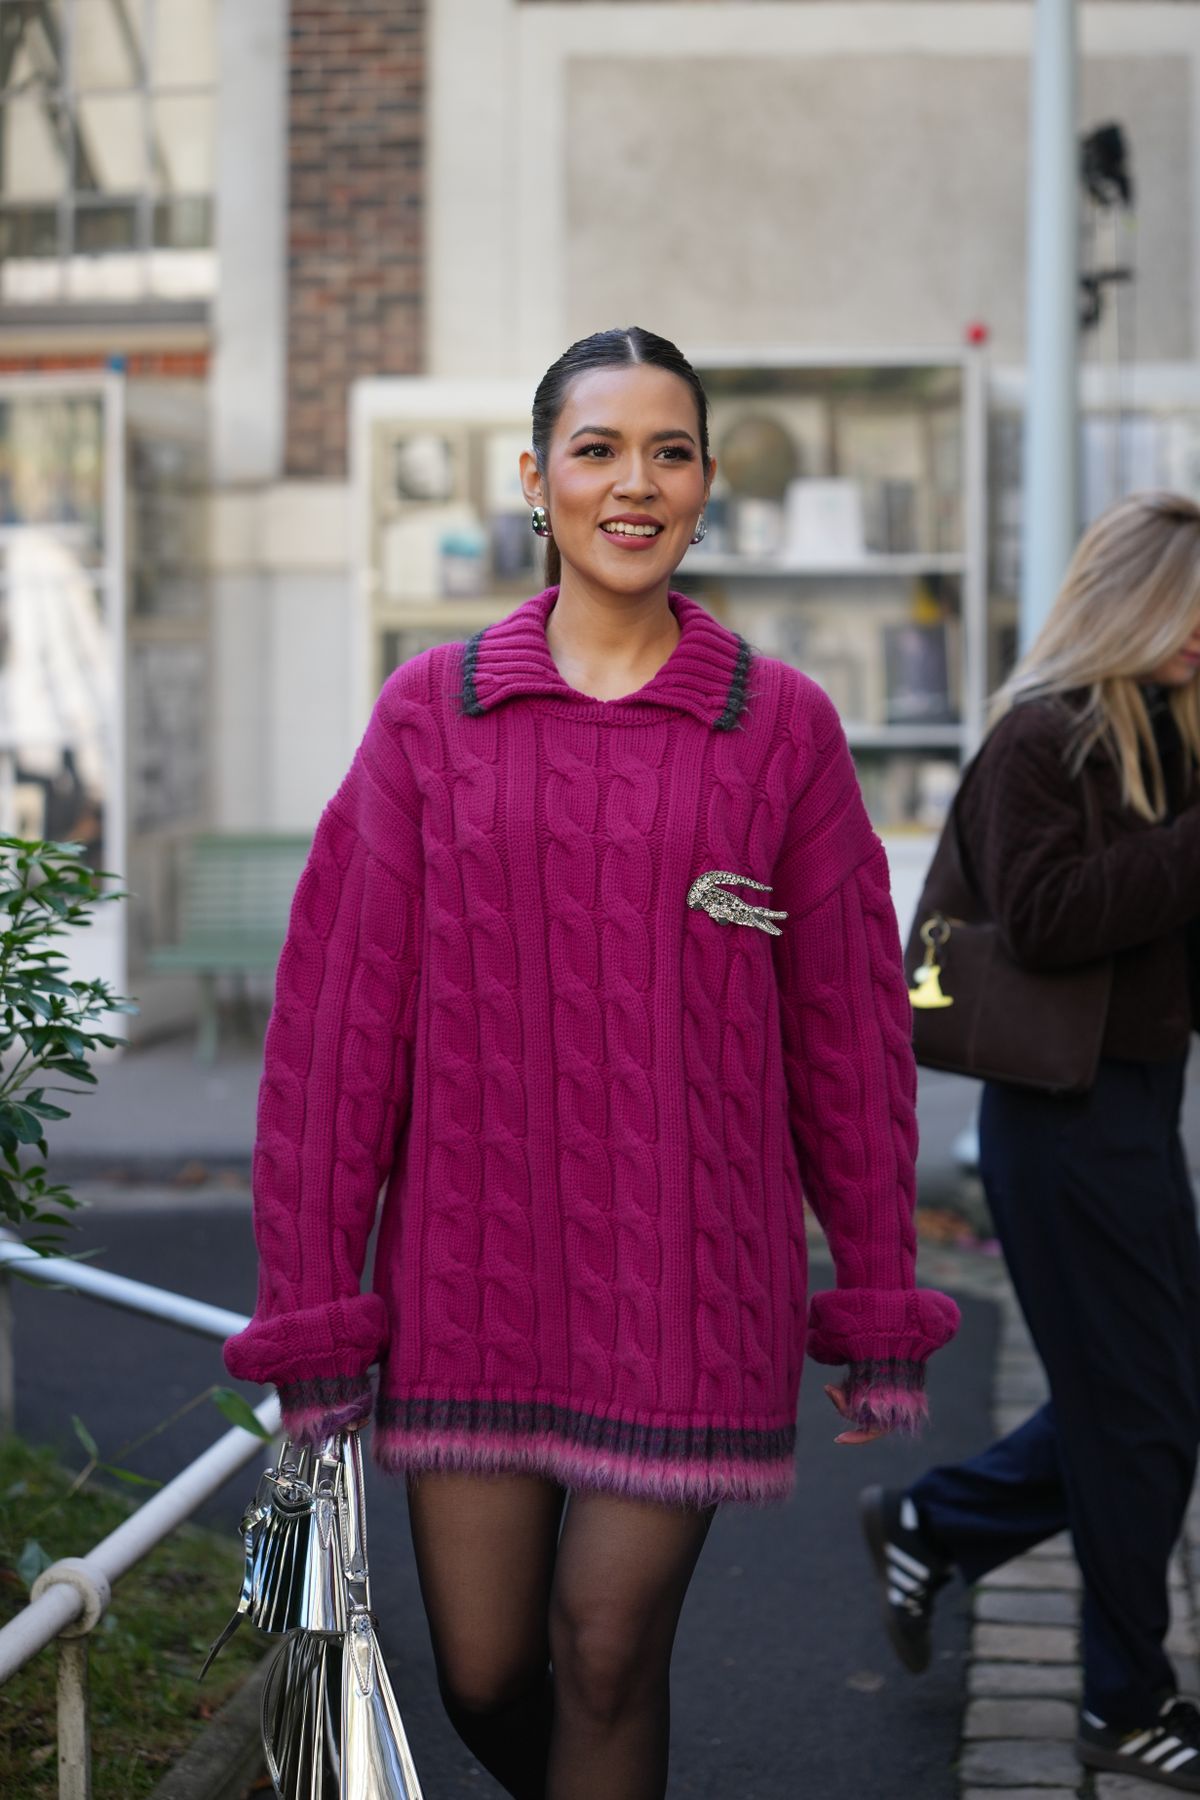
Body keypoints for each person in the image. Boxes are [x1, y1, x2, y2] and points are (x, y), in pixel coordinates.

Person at [225, 326, 959, 1800]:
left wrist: (873, 1292)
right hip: (469, 1278)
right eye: (600, 448)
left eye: (671, 452)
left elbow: (849, 1036)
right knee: (490, 1674)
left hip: (691, 1278)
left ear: (704, 489)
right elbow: (332, 1035)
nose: (637, 483)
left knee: (609, 1652)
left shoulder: (782, 730)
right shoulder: (434, 718)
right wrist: (315, 1310)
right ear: (538, 478)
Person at [860, 491, 1200, 1792]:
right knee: (1140, 1420)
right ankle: (1124, 1698)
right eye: (1189, 611)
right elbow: (1052, 921)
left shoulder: (1168, 744)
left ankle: (935, 1521)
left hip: (1140, 1113)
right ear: (1131, 601)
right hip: (1059, 1128)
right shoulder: (1036, 743)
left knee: (1157, 1400)